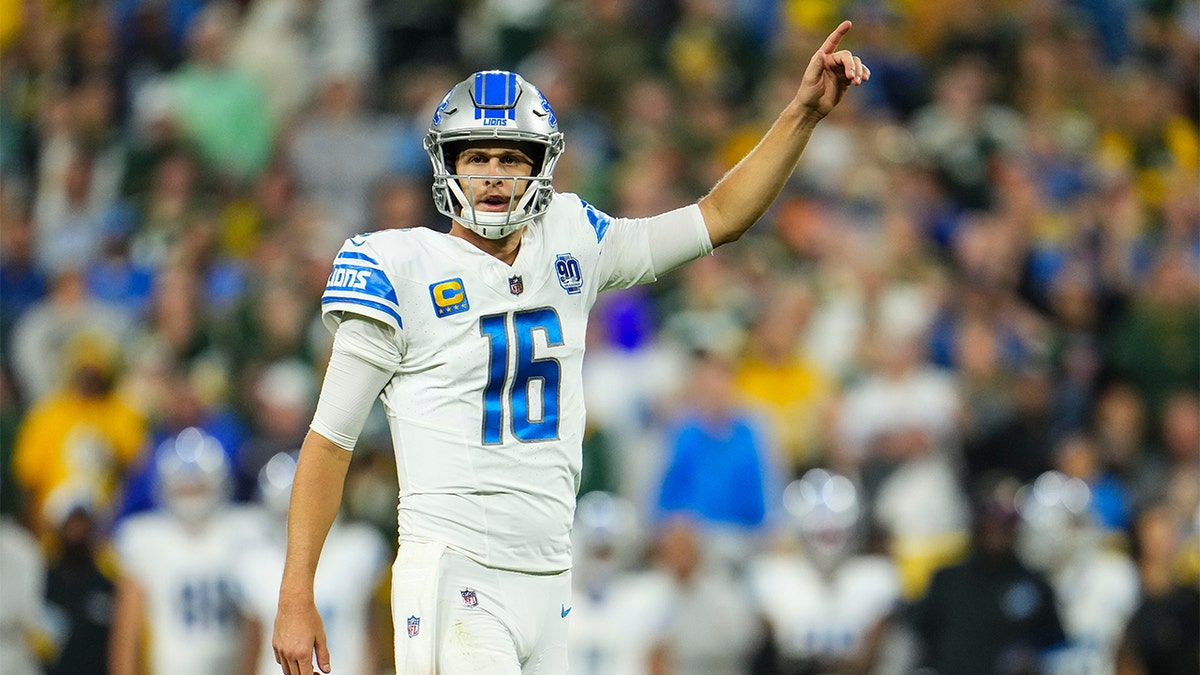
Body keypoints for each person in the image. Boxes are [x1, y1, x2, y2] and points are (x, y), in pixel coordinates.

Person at [273, 21, 870, 675]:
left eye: (512, 158)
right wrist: (297, 590)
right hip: (455, 569)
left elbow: (719, 216)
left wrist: (803, 114)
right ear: (449, 164)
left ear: (542, 165)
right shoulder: (399, 264)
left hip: (551, 575)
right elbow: (330, 441)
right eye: (478, 157)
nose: (494, 176)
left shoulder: (571, 239)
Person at [109, 427, 261, 675]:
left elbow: (256, 622)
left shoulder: (242, 531)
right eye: (185, 487)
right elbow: (128, 631)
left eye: (199, 486)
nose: (192, 492)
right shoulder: (145, 539)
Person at [236, 452, 389, 675]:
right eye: (287, 514)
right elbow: (253, 647)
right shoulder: (256, 562)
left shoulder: (359, 548)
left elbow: (374, 635)